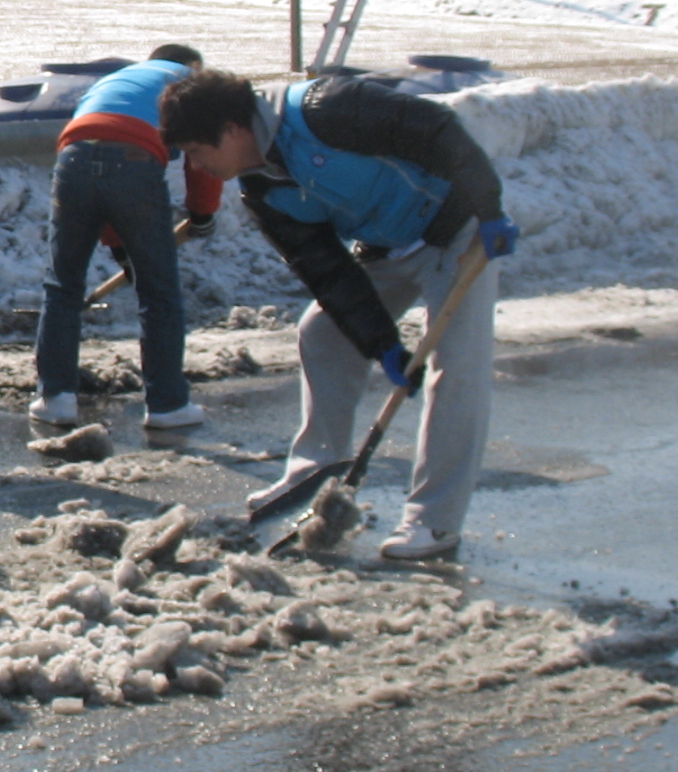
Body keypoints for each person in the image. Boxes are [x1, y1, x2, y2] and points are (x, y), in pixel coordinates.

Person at [159, 69, 520, 563]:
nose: (197, 167)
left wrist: (489, 207)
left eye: (198, 152)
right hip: (387, 244)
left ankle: (433, 521)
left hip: (458, 228)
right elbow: (330, 274)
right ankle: (316, 468)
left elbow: (437, 128)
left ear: (233, 130)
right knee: (324, 331)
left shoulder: (326, 108)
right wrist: (381, 343)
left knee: (456, 366)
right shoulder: (263, 192)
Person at [29, 44, 221, 432]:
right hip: (134, 160)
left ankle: (56, 400)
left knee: (63, 285)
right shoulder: (188, 84)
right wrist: (202, 213)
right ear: (194, 67)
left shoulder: (119, 79)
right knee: (159, 291)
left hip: (73, 156)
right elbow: (202, 157)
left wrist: (124, 250)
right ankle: (167, 405)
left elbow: (101, 176)